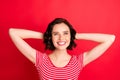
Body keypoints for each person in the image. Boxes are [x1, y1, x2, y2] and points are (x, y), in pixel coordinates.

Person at [9, 18, 115, 80]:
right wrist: (46, 36)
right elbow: (13, 32)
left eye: (65, 33)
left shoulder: (78, 62)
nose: (61, 38)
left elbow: (110, 39)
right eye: (56, 34)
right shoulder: (40, 60)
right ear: (51, 36)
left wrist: (76, 36)